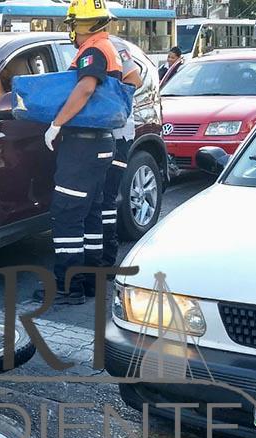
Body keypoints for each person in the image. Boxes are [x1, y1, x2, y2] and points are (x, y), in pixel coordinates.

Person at [36, 0, 123, 306]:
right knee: (91, 217)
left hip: (83, 146)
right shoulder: (110, 48)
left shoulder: (94, 51)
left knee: (67, 215)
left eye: (73, 24)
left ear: (87, 24)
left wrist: (57, 123)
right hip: (99, 143)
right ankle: (90, 284)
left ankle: (67, 288)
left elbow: (85, 87)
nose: (71, 30)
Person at [100, 37, 144, 269]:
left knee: (105, 199)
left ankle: (107, 261)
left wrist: (102, 101)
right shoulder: (84, 48)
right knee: (99, 201)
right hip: (97, 136)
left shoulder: (114, 47)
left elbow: (134, 80)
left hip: (117, 135)